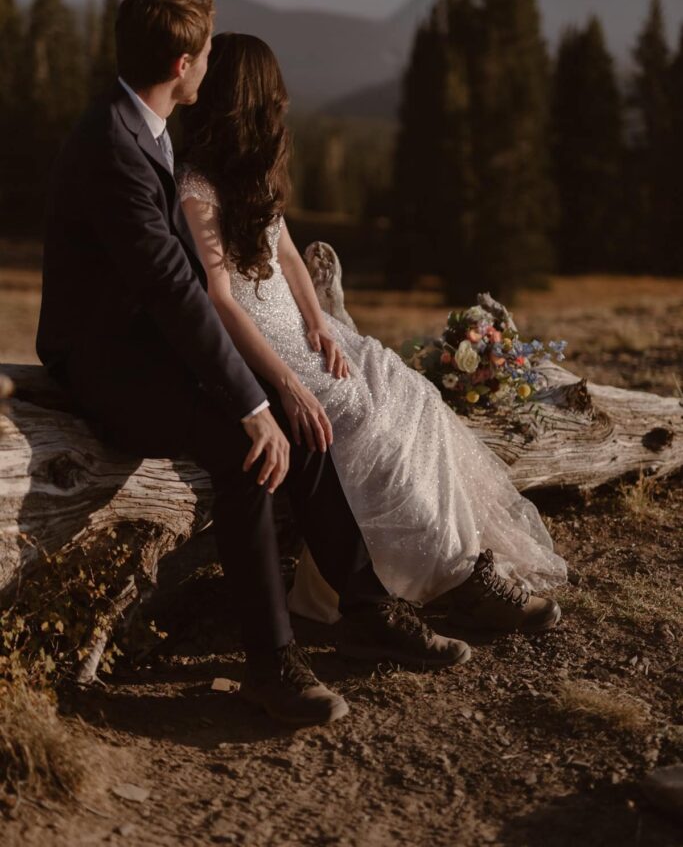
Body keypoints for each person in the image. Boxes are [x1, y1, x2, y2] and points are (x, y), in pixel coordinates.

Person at [36, 0, 476, 729]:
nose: (209, 64)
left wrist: (271, 396)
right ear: (181, 64)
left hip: (149, 348)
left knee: (299, 427)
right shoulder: (115, 144)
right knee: (247, 448)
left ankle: (365, 611)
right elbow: (176, 291)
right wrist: (249, 403)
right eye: (205, 53)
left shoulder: (147, 123)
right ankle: (269, 666)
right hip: (102, 366)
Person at [177, 32, 567, 639]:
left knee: (414, 398)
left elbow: (289, 261)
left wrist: (318, 325)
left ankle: (464, 564)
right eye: (271, 96)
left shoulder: (251, 173)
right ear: (245, 99)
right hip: (257, 349)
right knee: (361, 421)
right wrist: (286, 380)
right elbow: (219, 298)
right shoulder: (197, 188)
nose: (281, 106)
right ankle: (443, 584)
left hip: (302, 333)